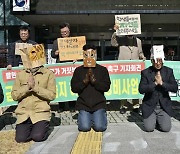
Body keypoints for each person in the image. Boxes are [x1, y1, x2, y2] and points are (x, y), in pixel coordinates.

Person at [11, 45, 56, 142]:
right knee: (20, 139)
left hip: (40, 112)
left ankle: (42, 127)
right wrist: (27, 87)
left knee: (38, 137)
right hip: (24, 113)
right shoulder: (21, 74)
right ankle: (32, 128)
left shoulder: (48, 74)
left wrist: (35, 88)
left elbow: (52, 95)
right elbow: (14, 95)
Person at [71, 44, 111, 132]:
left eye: (92, 54)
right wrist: (84, 82)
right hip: (84, 104)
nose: (89, 57)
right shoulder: (78, 70)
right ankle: (86, 116)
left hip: (99, 104)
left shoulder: (102, 70)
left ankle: (100, 115)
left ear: (96, 55)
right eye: (86, 54)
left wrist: (95, 82)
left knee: (100, 127)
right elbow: (74, 88)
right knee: (84, 127)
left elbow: (106, 87)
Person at [139, 45, 178, 132]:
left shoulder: (168, 71)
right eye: (156, 61)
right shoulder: (146, 72)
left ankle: (159, 120)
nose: (158, 63)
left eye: (160, 60)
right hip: (150, 106)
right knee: (149, 128)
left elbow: (174, 88)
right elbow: (141, 89)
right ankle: (152, 120)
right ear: (152, 61)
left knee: (166, 129)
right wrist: (155, 83)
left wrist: (162, 83)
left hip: (163, 107)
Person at [111, 24, 146, 114]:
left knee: (135, 85)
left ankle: (136, 105)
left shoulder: (138, 41)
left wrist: (142, 57)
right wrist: (115, 32)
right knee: (124, 85)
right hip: (123, 67)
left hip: (134, 68)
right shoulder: (121, 39)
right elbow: (113, 43)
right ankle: (123, 105)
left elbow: (140, 52)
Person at [51, 22, 75, 112]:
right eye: (62, 32)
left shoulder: (74, 41)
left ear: (69, 31)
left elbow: (79, 53)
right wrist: (55, 53)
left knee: (71, 85)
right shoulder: (56, 42)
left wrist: (77, 58)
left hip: (71, 66)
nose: (64, 33)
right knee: (61, 86)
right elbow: (52, 54)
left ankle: (72, 106)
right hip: (60, 66)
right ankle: (61, 106)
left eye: (66, 32)